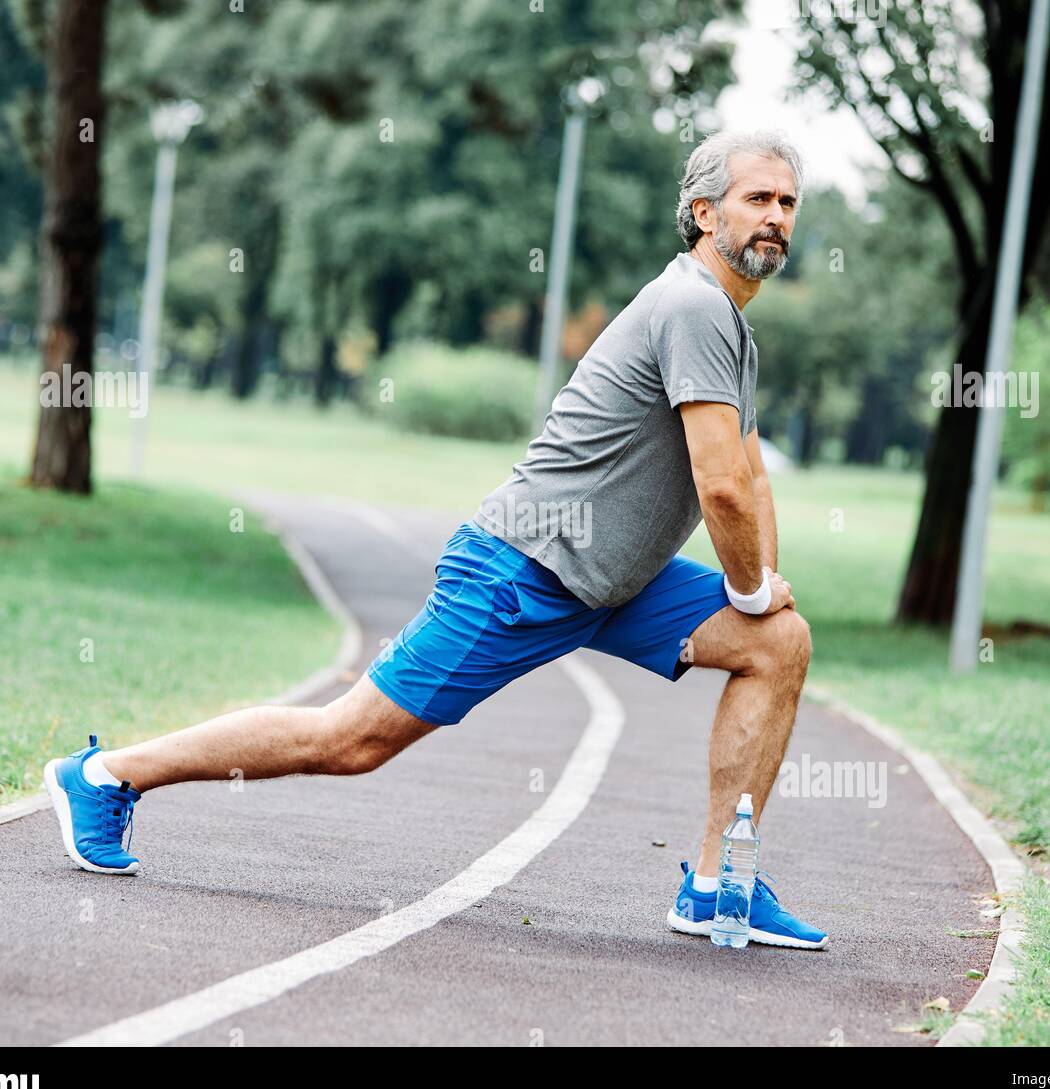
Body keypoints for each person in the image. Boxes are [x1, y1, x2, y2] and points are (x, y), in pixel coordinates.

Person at [44, 129, 827, 951]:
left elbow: (753, 475)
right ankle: (104, 776)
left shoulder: (730, 328)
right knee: (350, 740)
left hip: (613, 582)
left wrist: (768, 587)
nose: (775, 217)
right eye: (757, 199)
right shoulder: (694, 306)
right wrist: (746, 590)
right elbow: (723, 487)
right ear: (704, 212)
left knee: (778, 642)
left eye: (787, 204)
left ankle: (717, 884)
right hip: (522, 567)